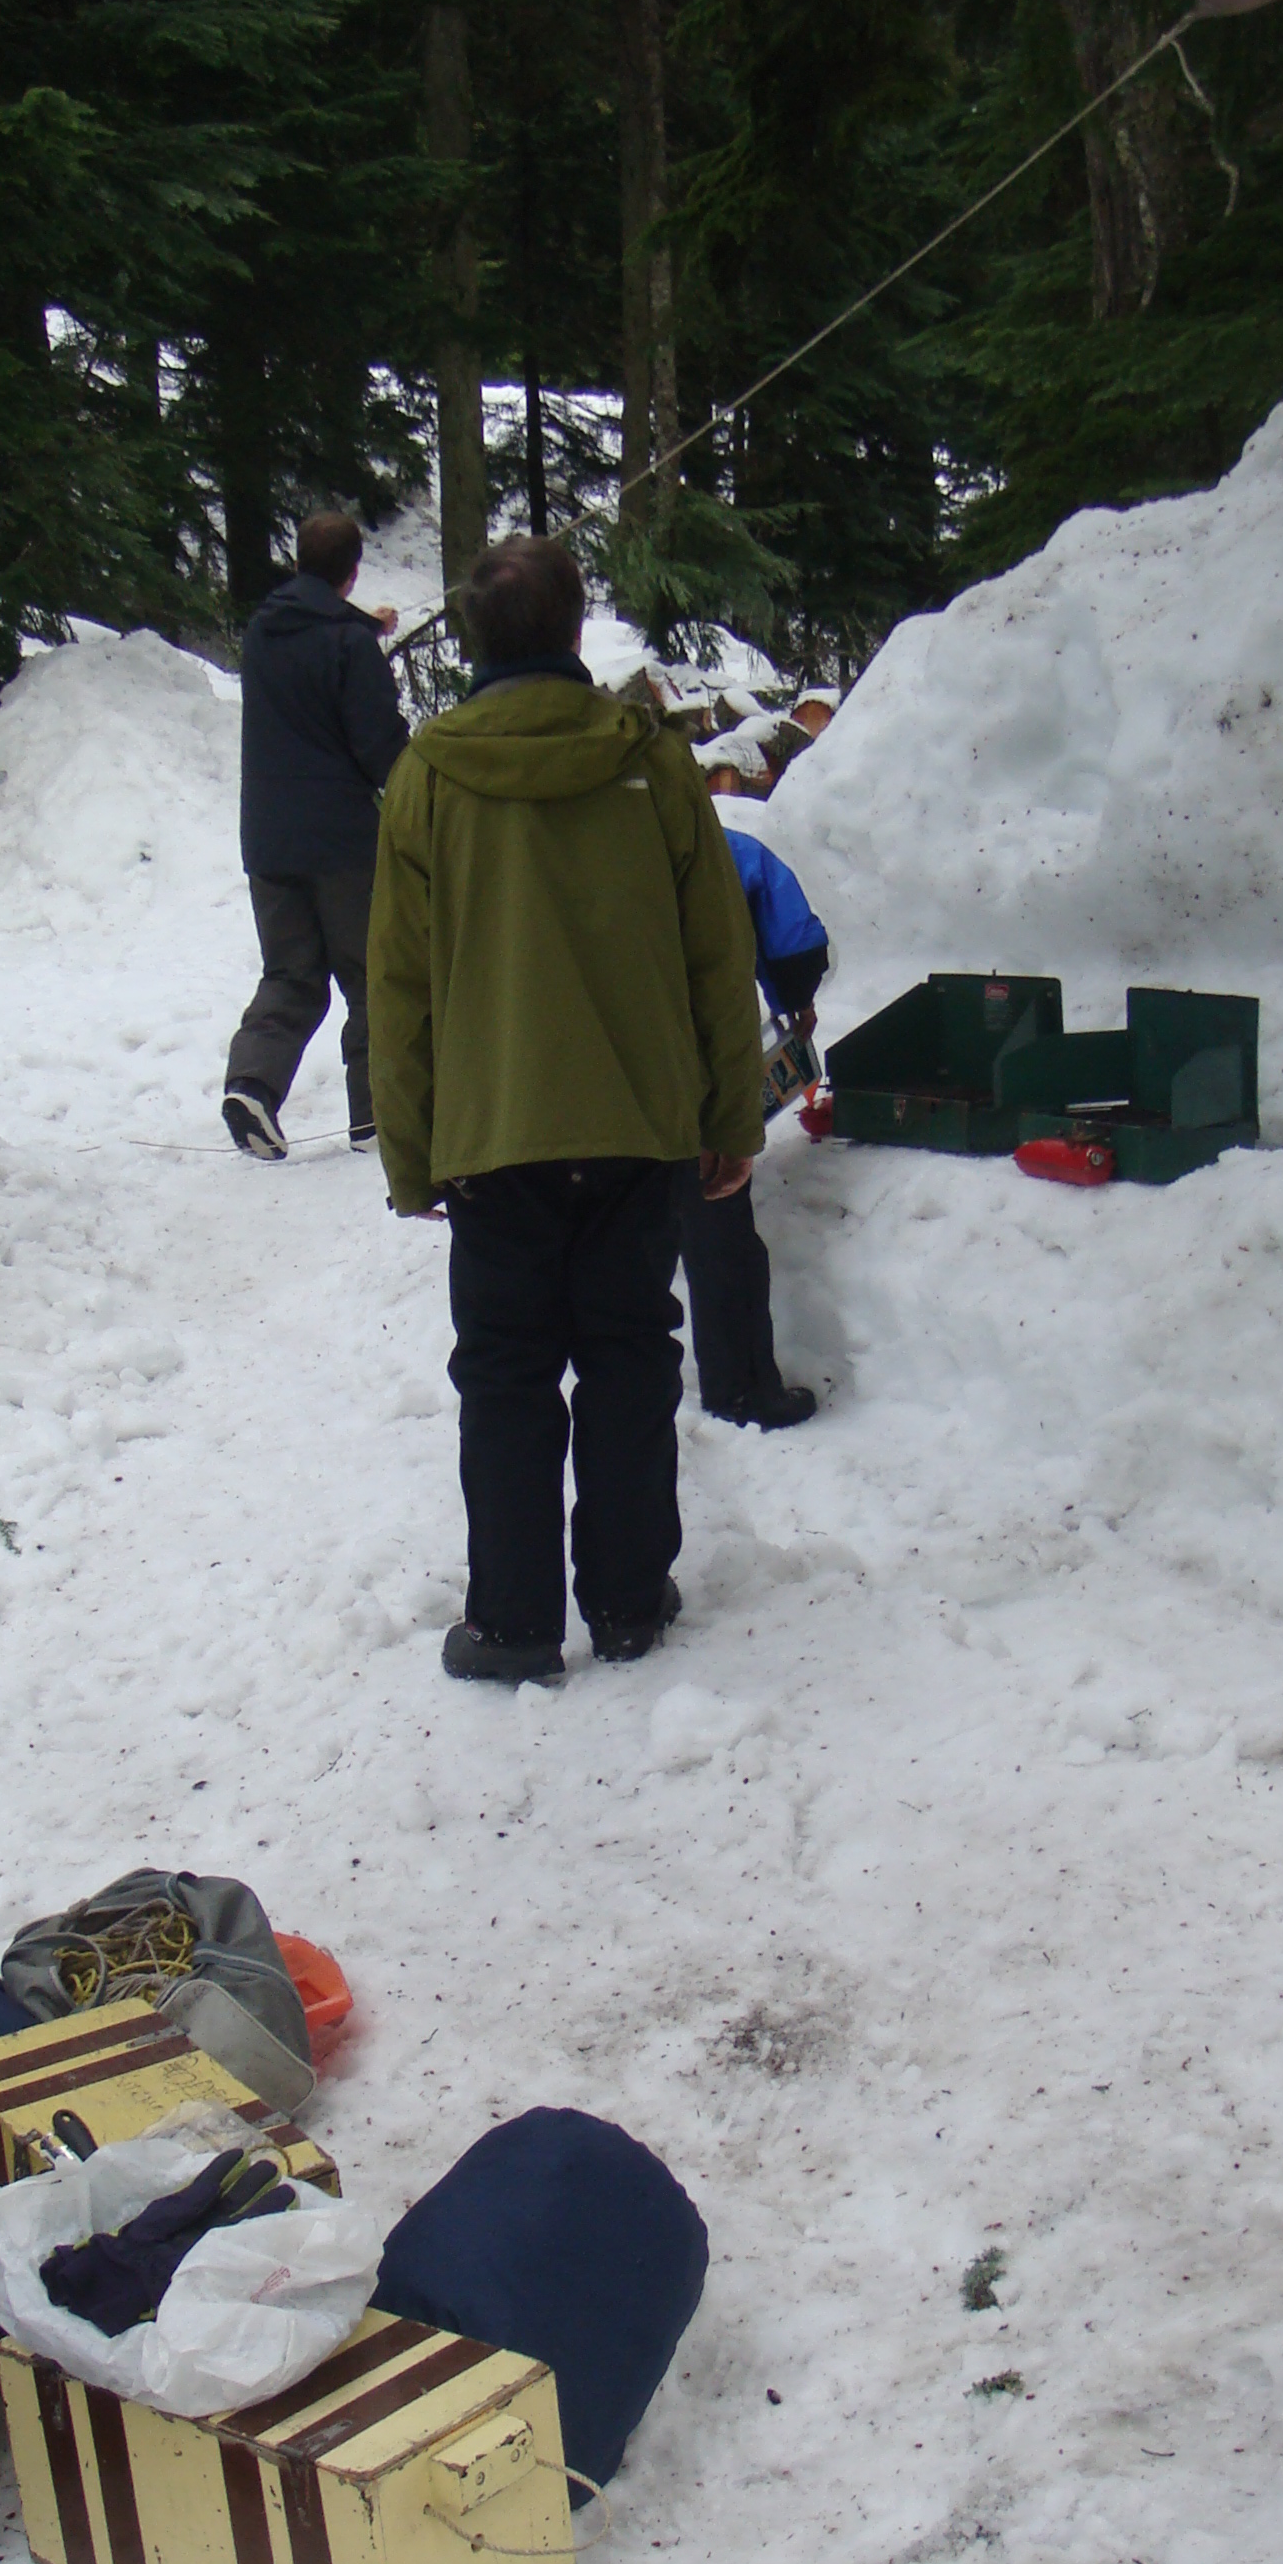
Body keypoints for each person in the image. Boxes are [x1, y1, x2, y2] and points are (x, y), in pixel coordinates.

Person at [368, 534, 765, 1686]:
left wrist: (412, 1155)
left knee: (505, 1373)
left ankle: (513, 1625)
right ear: (575, 627)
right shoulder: (654, 762)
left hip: (493, 1136)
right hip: (639, 1126)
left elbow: (399, 986)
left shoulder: (427, 777)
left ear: (473, 637)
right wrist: (730, 1118)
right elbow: (717, 953)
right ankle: (631, 1602)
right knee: (631, 1358)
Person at [224, 509, 408, 1158]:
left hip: (268, 838)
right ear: (352, 572)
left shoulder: (262, 629)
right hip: (341, 842)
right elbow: (378, 745)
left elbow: (314, 634)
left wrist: (365, 627)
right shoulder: (349, 644)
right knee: (370, 976)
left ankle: (251, 1086)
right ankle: (376, 1117)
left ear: (298, 560)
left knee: (291, 973)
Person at [678, 824, 827, 1429]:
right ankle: (739, 1387)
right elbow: (789, 932)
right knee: (718, 1227)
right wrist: (793, 994)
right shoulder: (717, 845)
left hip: (578, 1072)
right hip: (689, 1067)